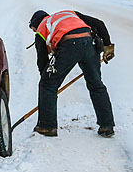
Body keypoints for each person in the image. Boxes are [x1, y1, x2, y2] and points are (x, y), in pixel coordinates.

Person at [28, 9, 116, 138]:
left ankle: (47, 126)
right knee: (96, 84)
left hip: (68, 44)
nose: (34, 32)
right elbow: (99, 24)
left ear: (35, 24)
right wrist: (108, 46)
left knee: (47, 85)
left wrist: (49, 82)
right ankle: (107, 126)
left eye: (33, 29)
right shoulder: (70, 14)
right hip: (89, 43)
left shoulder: (41, 29)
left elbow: (42, 61)